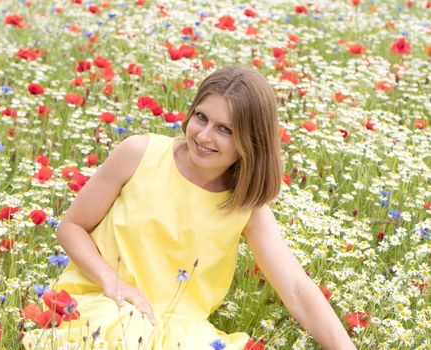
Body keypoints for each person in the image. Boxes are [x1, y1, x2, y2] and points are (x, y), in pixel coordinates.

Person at [22, 65, 356, 349]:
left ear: (251, 142)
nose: (204, 136)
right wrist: (112, 281)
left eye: (224, 129)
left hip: (180, 330)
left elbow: (296, 289)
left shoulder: (246, 205)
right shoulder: (139, 154)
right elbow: (71, 227)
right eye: (201, 117)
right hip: (104, 302)